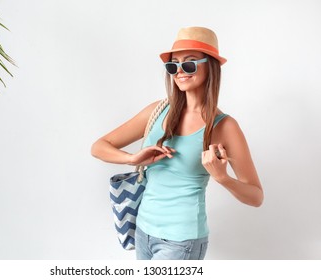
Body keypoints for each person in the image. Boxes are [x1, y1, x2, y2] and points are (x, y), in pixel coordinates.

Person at [91, 27, 263, 260]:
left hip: (182, 242)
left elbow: (255, 197)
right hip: (142, 231)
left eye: (190, 63)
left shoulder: (225, 126)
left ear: (210, 66)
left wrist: (222, 177)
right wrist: (132, 158)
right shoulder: (158, 110)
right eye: (173, 65)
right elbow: (99, 146)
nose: (179, 71)